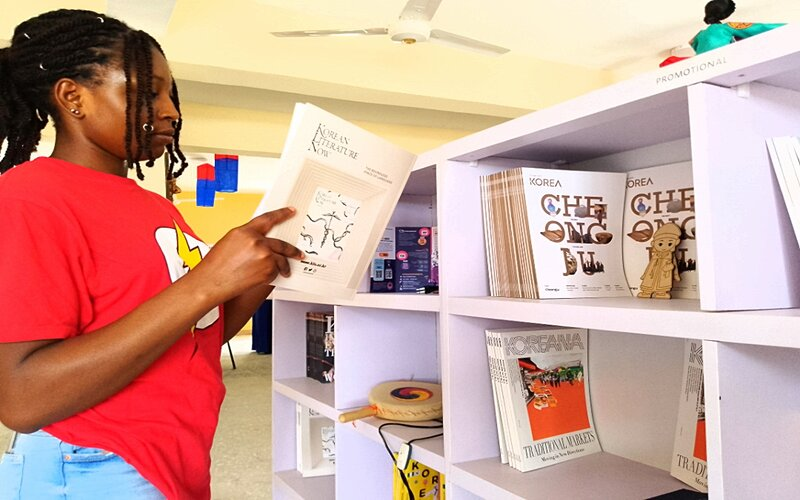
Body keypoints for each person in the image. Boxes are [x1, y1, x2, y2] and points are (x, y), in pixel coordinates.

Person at [0, 9, 303, 499]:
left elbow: (194, 337)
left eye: (169, 93)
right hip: (91, 466)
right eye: (148, 92)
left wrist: (258, 273)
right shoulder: (30, 197)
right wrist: (206, 282)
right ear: (72, 97)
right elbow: (23, 399)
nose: (171, 111)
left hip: (173, 460)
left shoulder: (157, 208)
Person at [690, 0, 785, 55]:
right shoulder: (726, 28)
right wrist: (787, 26)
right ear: (725, 14)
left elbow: (692, 44)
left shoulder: (700, 35)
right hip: (724, 62)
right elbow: (758, 28)